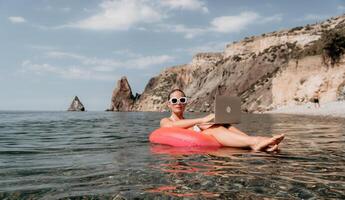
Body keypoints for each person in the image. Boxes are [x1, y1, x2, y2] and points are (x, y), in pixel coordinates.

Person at [160, 89, 285, 152]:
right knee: (213, 129)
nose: (178, 103)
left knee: (224, 124)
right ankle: (256, 142)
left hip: (208, 141)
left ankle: (258, 143)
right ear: (169, 104)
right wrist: (202, 119)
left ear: (186, 103)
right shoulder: (165, 120)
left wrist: (208, 122)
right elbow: (169, 127)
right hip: (199, 146)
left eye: (182, 100)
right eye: (174, 101)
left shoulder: (189, 122)